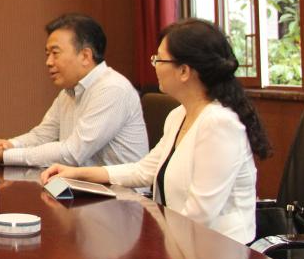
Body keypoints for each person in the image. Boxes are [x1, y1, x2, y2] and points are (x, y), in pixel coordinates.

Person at [40, 18, 271, 244]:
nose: (154, 65)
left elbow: (199, 216)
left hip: (221, 255)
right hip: (182, 244)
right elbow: (144, 171)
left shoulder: (219, 124)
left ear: (184, 71)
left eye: (159, 59)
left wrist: (152, 241)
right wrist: (77, 174)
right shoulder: (179, 115)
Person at [0, 13, 148, 167]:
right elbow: (42, 135)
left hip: (120, 192)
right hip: (84, 186)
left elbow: (73, 153)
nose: (48, 62)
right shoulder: (68, 92)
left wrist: (6, 156)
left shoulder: (112, 89)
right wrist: (8, 145)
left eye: (55, 53)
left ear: (85, 56)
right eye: (47, 54)